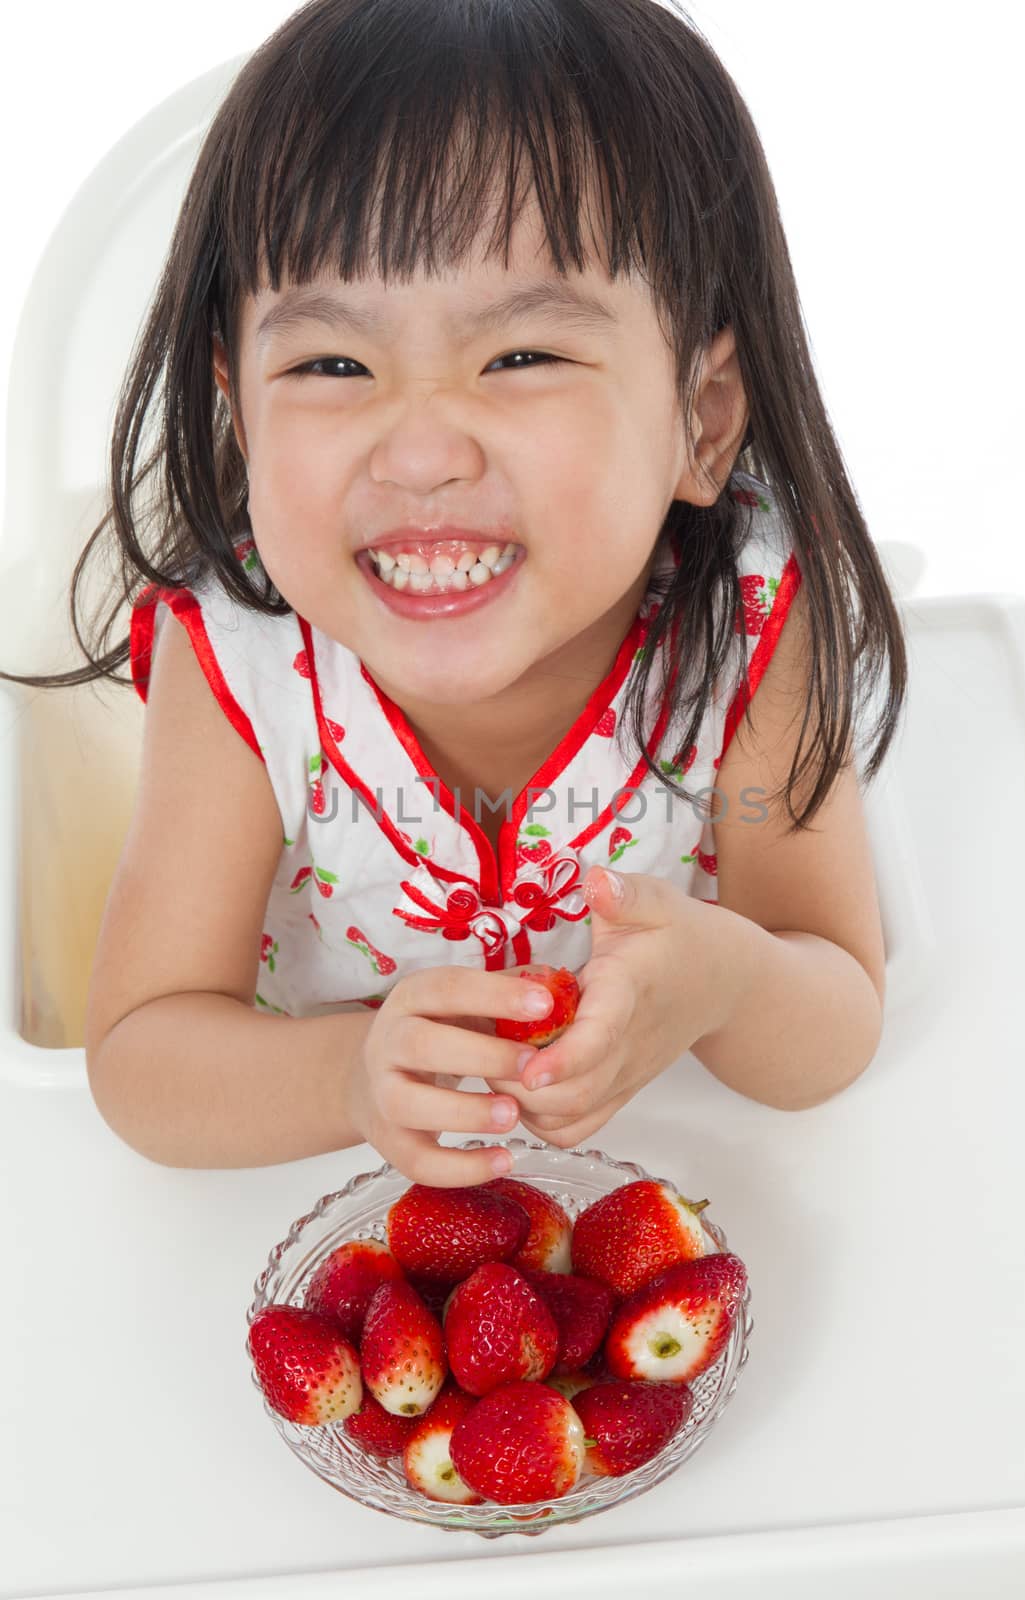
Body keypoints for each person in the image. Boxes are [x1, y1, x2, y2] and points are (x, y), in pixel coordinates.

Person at [1, 0, 907, 1187]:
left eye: (520, 357)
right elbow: (141, 1055)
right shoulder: (242, 662)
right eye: (332, 363)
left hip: (667, 1182)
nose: (420, 451)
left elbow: (832, 1015)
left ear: (701, 417)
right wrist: (343, 1077)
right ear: (240, 403)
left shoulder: (747, 622)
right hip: (320, 1195)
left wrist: (723, 982)